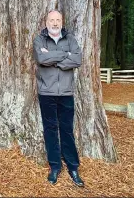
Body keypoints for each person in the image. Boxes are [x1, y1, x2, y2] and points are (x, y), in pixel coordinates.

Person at [33, 10, 84, 187]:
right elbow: (40, 58)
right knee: (50, 130)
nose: (55, 23)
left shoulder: (70, 39)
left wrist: (52, 56)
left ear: (62, 22)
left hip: (66, 93)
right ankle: (55, 166)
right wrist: (65, 55)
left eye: (58, 20)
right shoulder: (40, 39)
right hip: (46, 92)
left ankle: (73, 166)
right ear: (46, 22)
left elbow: (77, 60)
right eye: (52, 20)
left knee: (67, 130)